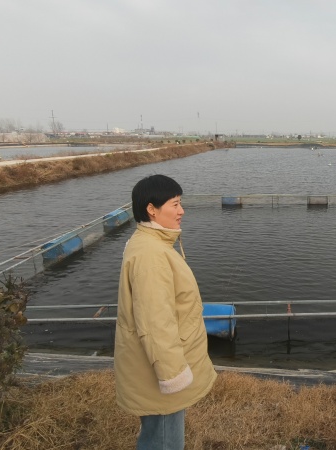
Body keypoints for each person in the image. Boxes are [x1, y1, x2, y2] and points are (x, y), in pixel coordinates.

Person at [114, 174, 217, 450]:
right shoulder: (151, 256)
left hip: (155, 365)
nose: (182, 211)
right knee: (164, 441)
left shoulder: (151, 244)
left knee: (160, 435)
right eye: (175, 204)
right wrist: (173, 376)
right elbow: (155, 323)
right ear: (152, 209)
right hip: (160, 373)